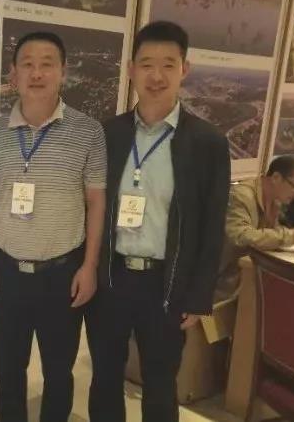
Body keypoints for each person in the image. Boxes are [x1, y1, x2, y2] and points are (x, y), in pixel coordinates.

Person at [86, 21, 230, 422]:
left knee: (161, 383)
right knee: (105, 377)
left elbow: (212, 225)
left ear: (185, 69)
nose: (156, 76)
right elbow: (90, 209)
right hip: (111, 279)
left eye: (168, 64)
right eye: (147, 64)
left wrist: (199, 296)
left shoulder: (207, 143)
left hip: (166, 284)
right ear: (131, 69)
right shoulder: (109, 134)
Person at [0, 31, 107, 422]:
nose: (37, 73)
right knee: (8, 369)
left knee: (58, 372)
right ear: (13, 74)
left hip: (62, 273)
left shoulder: (88, 131)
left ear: (63, 72)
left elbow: (96, 202)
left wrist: (90, 266)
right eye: (27, 64)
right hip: (8, 271)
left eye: (47, 64)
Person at [215, 155, 294, 302]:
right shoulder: (241, 196)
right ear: (276, 177)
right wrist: (289, 237)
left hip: (246, 279)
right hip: (220, 284)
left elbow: (267, 237)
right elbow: (239, 236)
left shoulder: (276, 199)